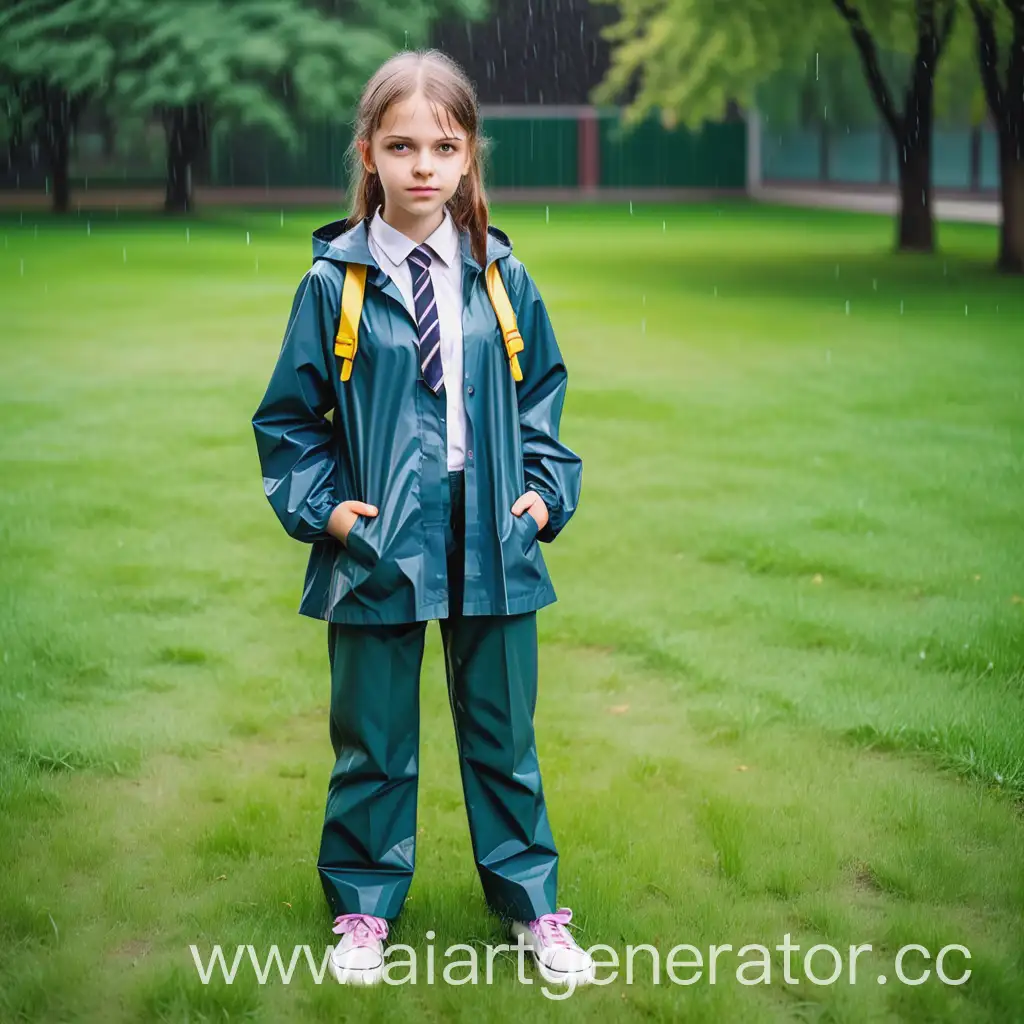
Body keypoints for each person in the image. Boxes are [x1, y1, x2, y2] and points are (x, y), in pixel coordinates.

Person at [251, 48, 593, 988]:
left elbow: (544, 396)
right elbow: (288, 420)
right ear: (368, 153)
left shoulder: (499, 275)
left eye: (443, 146)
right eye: (401, 146)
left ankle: (533, 908)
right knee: (373, 739)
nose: (423, 167)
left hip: (493, 530)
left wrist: (545, 492)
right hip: (378, 537)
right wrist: (328, 513)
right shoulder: (336, 283)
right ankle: (363, 912)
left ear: (470, 155)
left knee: (503, 737)